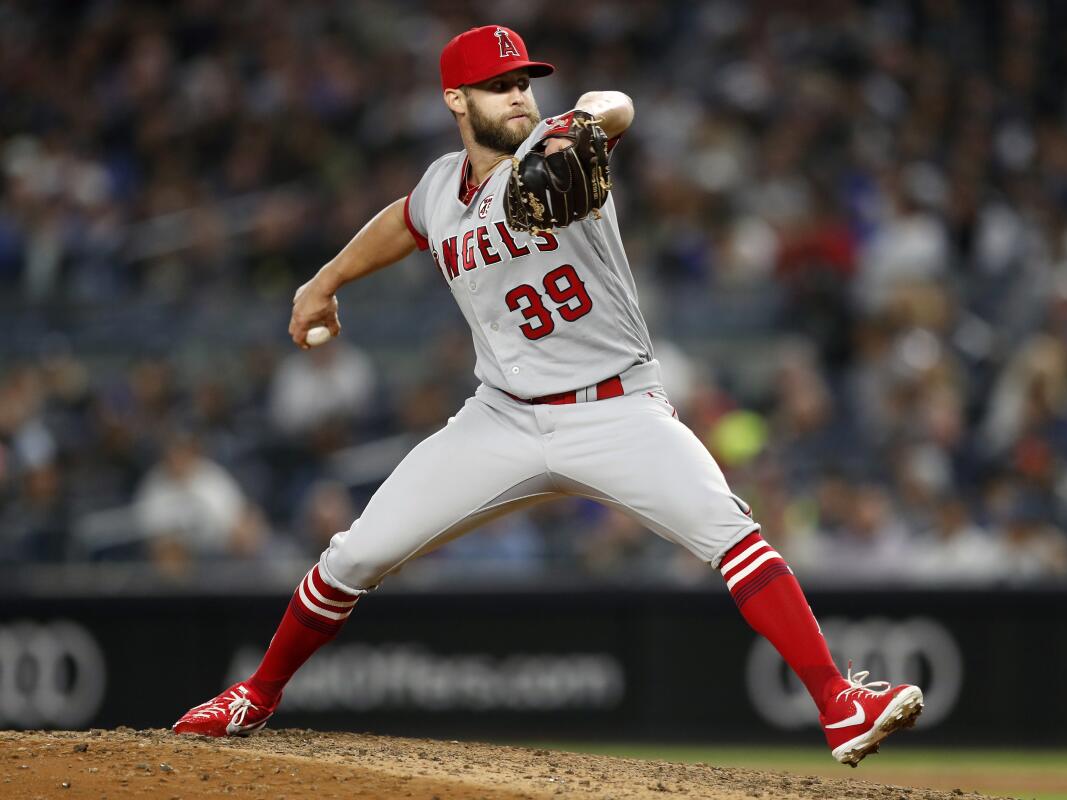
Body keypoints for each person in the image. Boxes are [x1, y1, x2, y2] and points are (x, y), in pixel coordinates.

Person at [172, 25, 923, 766]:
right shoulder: (441, 186)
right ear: (455, 100)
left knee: (730, 532)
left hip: (617, 408)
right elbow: (404, 221)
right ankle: (258, 695)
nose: (518, 97)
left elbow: (615, 105)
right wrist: (324, 280)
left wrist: (584, 125)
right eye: (497, 87)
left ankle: (836, 703)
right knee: (354, 555)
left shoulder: (560, 152)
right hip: (500, 416)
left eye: (523, 82)